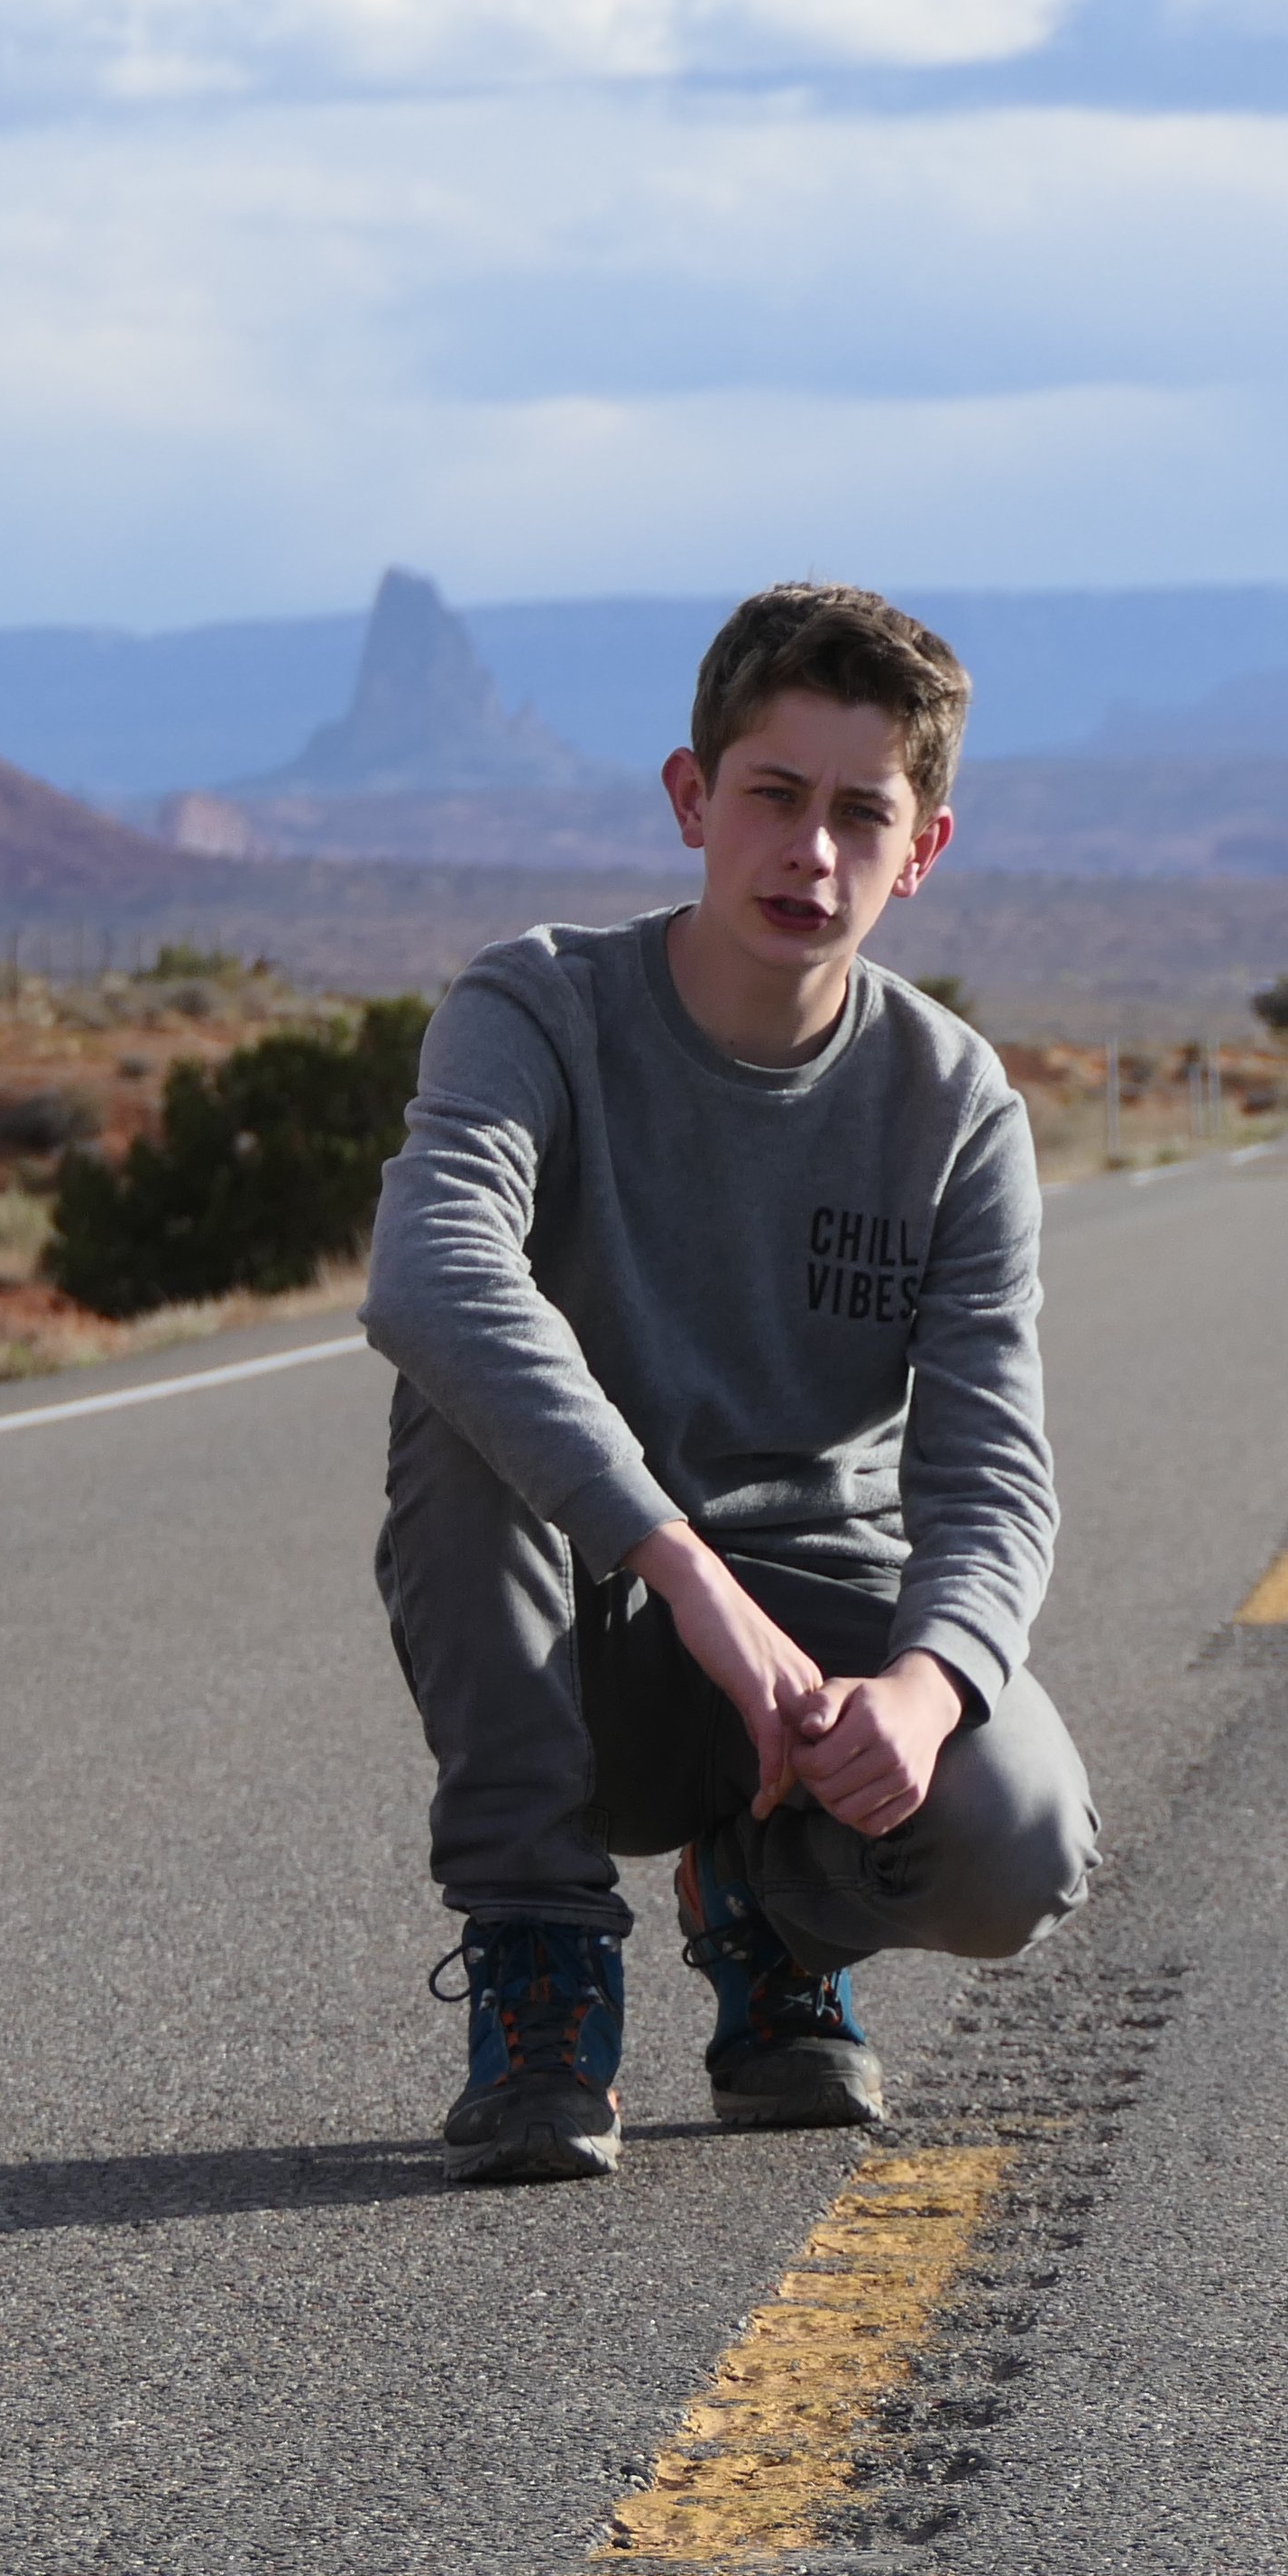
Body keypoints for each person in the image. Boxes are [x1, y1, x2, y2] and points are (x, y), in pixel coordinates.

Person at [360, 581, 1093, 2184]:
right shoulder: (538, 1007)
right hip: (596, 1631)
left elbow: (993, 1473)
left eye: (861, 814)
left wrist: (925, 1691)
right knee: (469, 1398)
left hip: (817, 1658)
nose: (810, 853)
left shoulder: (953, 1104)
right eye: (773, 795)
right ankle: (542, 1954)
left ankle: (769, 1905)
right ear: (693, 799)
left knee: (1023, 1836)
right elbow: (425, 1271)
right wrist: (685, 1573)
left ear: (923, 849)